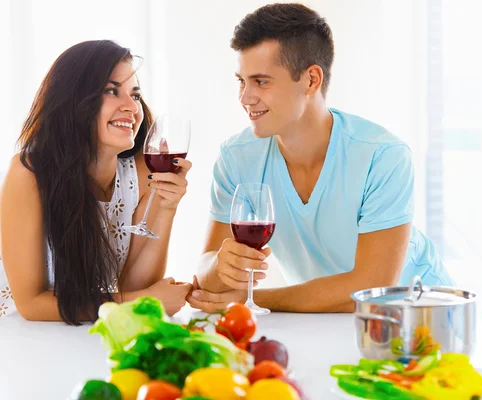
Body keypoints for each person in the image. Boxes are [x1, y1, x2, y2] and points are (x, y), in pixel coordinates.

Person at [189, 3, 454, 313]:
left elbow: (370, 288)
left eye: (261, 81)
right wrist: (221, 266)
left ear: (311, 80)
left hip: (419, 318)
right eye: (241, 81)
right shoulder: (237, 158)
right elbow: (206, 275)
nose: (245, 97)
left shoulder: (382, 156)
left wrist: (252, 300)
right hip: (324, 318)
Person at [0, 40, 193, 324]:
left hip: (87, 332)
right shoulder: (29, 172)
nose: (131, 107)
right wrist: (144, 302)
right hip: (23, 336)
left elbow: (133, 285)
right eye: (112, 91)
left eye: (135, 95)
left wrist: (166, 207)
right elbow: (31, 305)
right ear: (74, 100)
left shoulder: (142, 171)